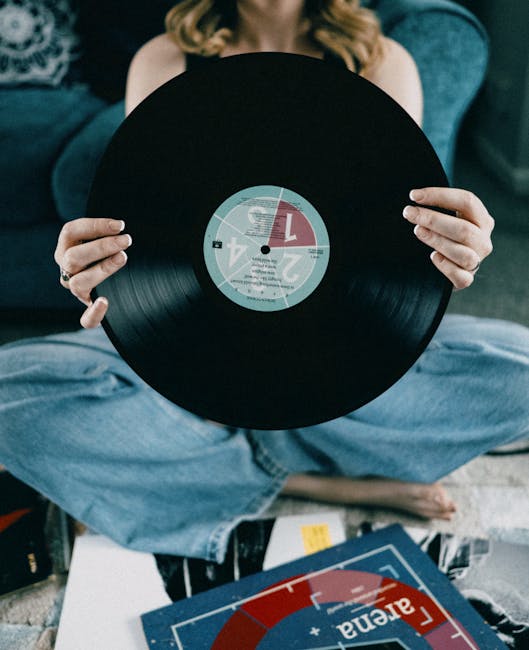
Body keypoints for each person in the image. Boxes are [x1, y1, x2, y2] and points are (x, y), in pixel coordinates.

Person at [1, 0, 528, 563]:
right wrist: (98, 273)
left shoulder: (383, 62)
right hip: (196, 370)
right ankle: (297, 477)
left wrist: (453, 248)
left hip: (343, 365)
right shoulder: (164, 61)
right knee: (11, 393)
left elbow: (391, 251)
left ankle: (215, 461)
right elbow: (155, 233)